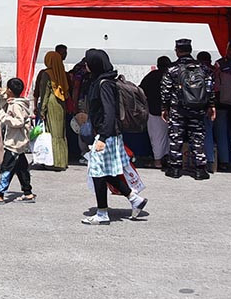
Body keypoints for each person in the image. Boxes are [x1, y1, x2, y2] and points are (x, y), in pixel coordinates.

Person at [82, 49, 147, 225]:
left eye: (88, 62)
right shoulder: (104, 80)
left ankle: (102, 213)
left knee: (97, 172)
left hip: (107, 135)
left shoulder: (104, 84)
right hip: (108, 134)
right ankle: (134, 198)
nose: (86, 65)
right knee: (105, 172)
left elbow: (109, 112)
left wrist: (102, 137)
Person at [161, 39, 215, 180]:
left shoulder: (172, 69)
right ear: (190, 50)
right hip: (198, 109)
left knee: (176, 138)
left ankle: (175, 169)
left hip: (177, 109)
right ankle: (200, 170)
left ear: (177, 51)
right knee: (197, 138)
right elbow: (210, 88)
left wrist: (164, 107)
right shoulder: (203, 68)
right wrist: (211, 105)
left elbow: (165, 91)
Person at [0, 78, 35, 204]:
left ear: (11, 91)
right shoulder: (17, 102)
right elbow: (3, 103)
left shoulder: (16, 105)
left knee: (7, 168)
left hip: (14, 143)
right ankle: (28, 192)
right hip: (18, 142)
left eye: (8, 89)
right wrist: (4, 96)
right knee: (21, 168)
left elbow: (18, 121)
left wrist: (3, 116)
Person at [36, 50, 69, 170]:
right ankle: (63, 160)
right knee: (60, 133)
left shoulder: (47, 74)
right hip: (61, 103)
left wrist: (42, 110)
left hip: (51, 103)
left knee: (53, 133)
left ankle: (55, 162)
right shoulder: (61, 72)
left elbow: (44, 93)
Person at [139, 56, 171, 168]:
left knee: (156, 137)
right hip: (171, 111)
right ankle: (168, 159)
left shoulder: (151, 76)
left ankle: (157, 161)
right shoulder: (171, 76)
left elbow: (141, 91)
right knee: (169, 137)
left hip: (154, 110)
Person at [196, 50, 219, 172]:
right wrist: (212, 105)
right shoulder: (213, 71)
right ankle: (210, 160)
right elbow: (212, 91)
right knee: (209, 133)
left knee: (195, 134)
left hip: (196, 107)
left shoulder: (196, 72)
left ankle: (197, 162)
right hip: (210, 106)